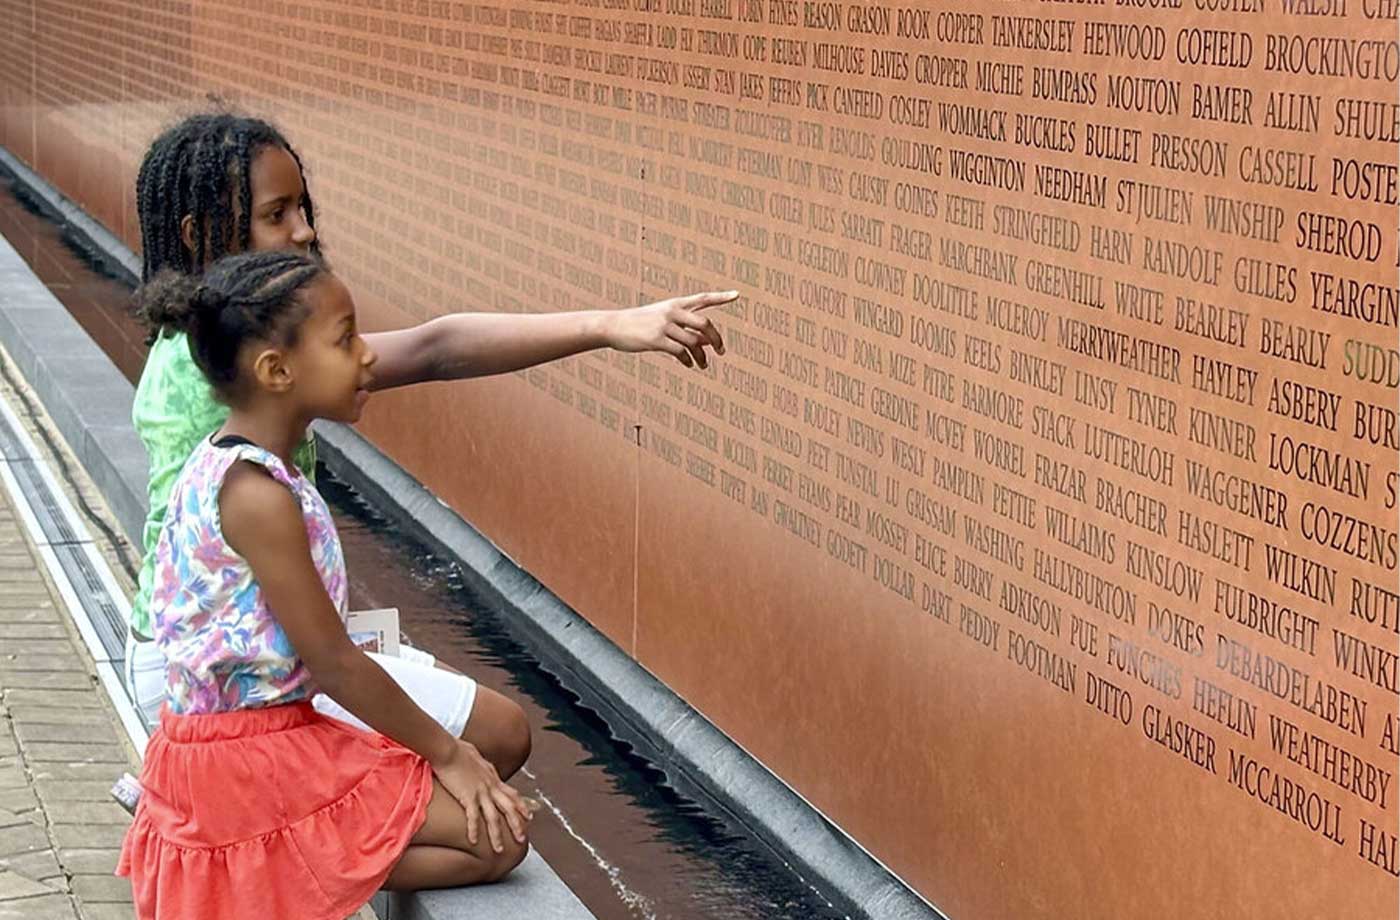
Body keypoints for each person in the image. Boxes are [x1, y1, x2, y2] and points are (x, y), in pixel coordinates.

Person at [124, 112, 735, 777]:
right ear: (201, 234)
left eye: (302, 206)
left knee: (476, 726)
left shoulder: (214, 350)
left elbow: (437, 348)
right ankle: (236, 824)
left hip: (234, 644)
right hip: (211, 678)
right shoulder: (213, 378)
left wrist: (613, 324)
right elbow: (433, 351)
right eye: (277, 213)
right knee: (494, 742)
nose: (304, 231)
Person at [118, 250, 535, 919]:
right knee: (499, 837)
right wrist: (450, 754)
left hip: (256, 740)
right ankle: (276, 868)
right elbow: (334, 662)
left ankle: (274, 868)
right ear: (276, 371)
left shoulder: (236, 462)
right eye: (345, 340)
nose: (367, 355)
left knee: (491, 830)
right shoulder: (255, 494)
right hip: (247, 759)